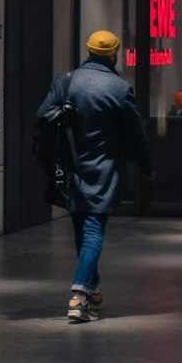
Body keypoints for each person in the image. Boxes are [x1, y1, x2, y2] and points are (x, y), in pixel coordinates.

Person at [36, 29, 155, 323]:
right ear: (114, 55)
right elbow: (136, 134)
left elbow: (42, 116)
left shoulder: (66, 81)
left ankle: (94, 287)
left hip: (71, 169)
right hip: (103, 171)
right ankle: (78, 296)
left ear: (88, 52)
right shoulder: (118, 89)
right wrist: (147, 165)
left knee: (81, 229)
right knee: (92, 232)